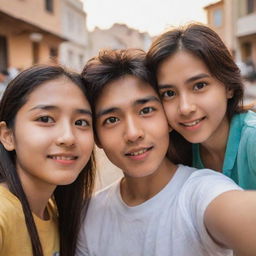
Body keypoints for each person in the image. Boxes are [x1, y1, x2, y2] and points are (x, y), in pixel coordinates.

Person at [76, 49, 256, 256]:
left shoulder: (202, 191)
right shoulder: (87, 216)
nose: (133, 134)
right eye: (112, 120)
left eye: (146, 110)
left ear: (167, 120)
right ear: (96, 137)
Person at [146, 23, 256, 189]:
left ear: (229, 87)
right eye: (169, 93)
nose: (185, 107)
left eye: (199, 86)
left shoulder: (252, 142)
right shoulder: (176, 152)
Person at [0, 65, 95, 256]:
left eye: (81, 122)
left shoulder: (54, 212)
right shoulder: (3, 214)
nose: (68, 137)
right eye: (45, 119)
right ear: (8, 136)